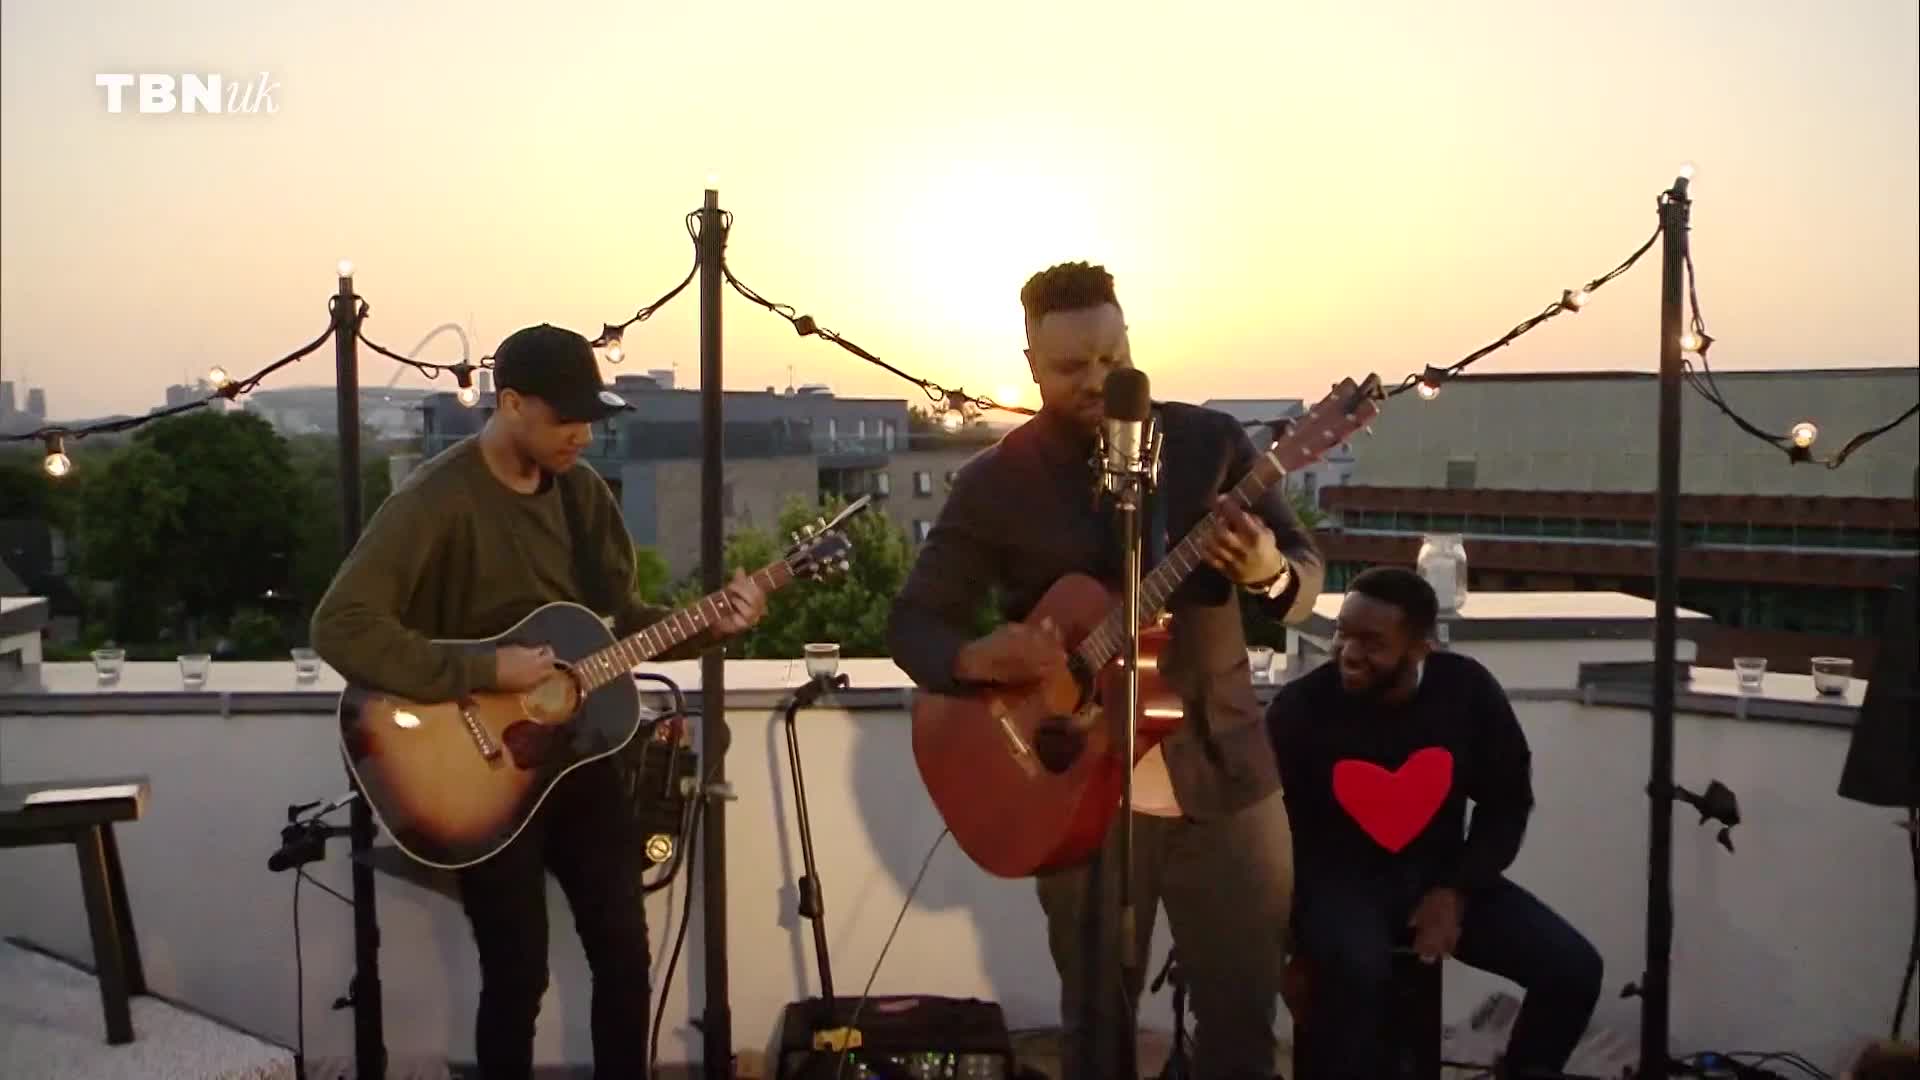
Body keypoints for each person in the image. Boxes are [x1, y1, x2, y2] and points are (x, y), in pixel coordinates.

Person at [887, 261, 1324, 1079]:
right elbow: (914, 623)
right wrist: (979, 656)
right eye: (1070, 368)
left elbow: (1302, 579)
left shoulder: (1209, 443)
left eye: (1111, 359)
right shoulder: (996, 482)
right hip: (1071, 788)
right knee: (1096, 1027)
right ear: (1030, 366)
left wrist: (1268, 569)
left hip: (1222, 773)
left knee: (1243, 1024)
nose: (1096, 381)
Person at [310, 323, 768, 1079]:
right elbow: (341, 627)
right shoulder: (435, 500)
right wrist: (489, 668)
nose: (583, 437)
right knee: (518, 973)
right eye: (566, 419)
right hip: (475, 770)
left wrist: (711, 625)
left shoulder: (584, 496)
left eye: (592, 420)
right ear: (511, 403)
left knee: (624, 954)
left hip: (580, 754)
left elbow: (621, 627)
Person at [1267, 566, 1602, 1079]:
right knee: (1357, 974)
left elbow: (1507, 803)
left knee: (1573, 968)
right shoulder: (1302, 707)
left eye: (1372, 643)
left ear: (1422, 648)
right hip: (1338, 881)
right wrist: (1294, 945)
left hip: (1444, 873)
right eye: (1343, 635)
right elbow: (1271, 832)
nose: (1350, 654)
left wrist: (1456, 889)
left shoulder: (1466, 691)